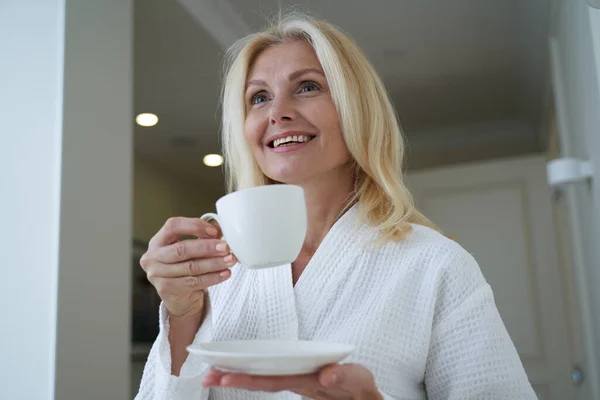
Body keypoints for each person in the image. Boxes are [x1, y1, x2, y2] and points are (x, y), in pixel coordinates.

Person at [135, 12, 536, 400]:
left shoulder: (435, 265)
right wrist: (183, 315)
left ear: (356, 107)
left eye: (308, 87)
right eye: (258, 98)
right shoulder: (215, 277)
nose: (277, 113)